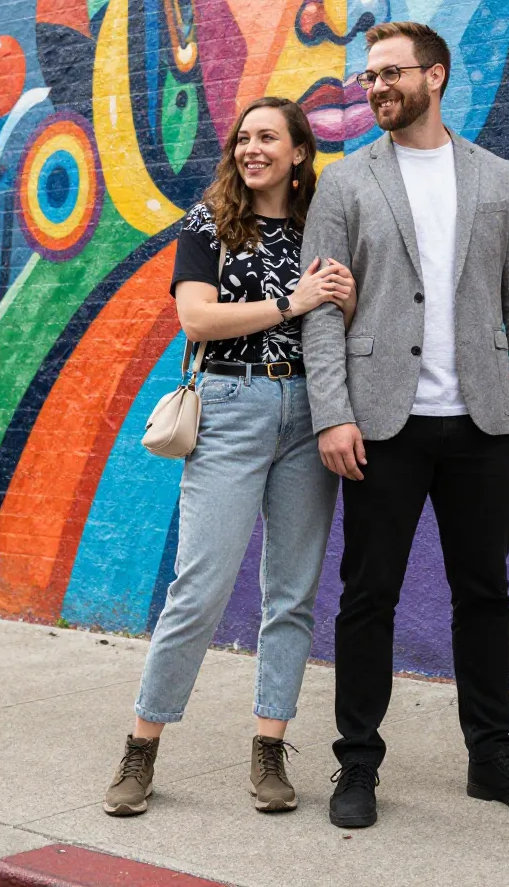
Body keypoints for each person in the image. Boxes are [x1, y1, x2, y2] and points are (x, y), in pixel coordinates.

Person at [301, 21, 509, 829]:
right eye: (367, 77)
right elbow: (319, 312)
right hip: (382, 424)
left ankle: (491, 756)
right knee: (367, 596)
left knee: (484, 593)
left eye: (389, 74)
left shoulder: (497, 180)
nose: (374, 88)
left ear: (436, 76)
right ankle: (357, 765)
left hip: (480, 420)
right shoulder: (345, 185)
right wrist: (333, 413)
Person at [105, 96, 354, 817]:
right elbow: (197, 317)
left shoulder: (320, 226)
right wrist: (293, 304)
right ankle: (141, 747)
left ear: (299, 152)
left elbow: (344, 308)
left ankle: (269, 749)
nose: (251, 148)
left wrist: (342, 293)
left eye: (268, 138)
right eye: (244, 138)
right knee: (200, 586)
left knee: (291, 593)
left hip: (310, 413)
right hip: (231, 406)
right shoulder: (209, 221)